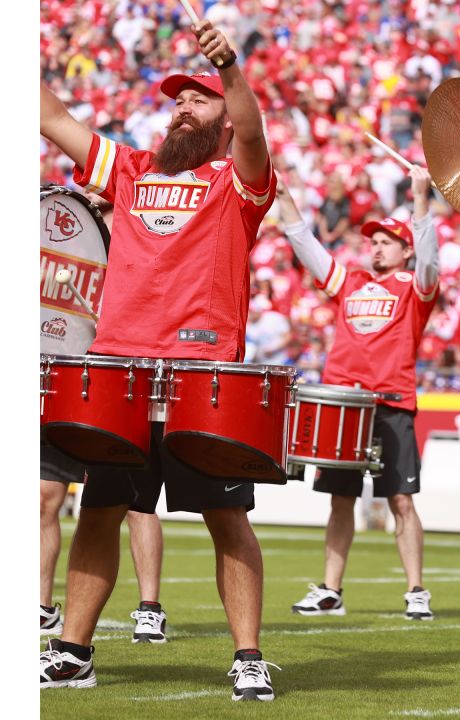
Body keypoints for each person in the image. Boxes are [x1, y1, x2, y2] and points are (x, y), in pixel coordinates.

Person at [38, 19, 279, 700]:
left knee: (226, 519)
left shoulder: (239, 179)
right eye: (177, 99)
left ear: (224, 116)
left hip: (203, 380)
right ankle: (72, 650)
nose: (182, 107)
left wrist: (230, 69)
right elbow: (49, 115)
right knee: (101, 509)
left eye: (198, 99)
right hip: (120, 374)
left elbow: (255, 132)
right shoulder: (133, 170)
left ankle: (248, 656)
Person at [275, 163, 440, 621]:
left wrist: (420, 198)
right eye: (374, 241)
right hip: (346, 406)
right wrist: (285, 197)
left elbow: (430, 259)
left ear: (405, 250)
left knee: (401, 500)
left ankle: (416, 590)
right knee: (340, 499)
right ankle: (331, 589)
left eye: (387, 241)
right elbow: (306, 245)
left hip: (390, 403)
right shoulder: (350, 283)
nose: (377, 247)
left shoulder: (415, 288)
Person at [41, 448, 169, 644]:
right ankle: (43, 610)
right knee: (42, 498)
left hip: (131, 420)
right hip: (64, 419)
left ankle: (149, 609)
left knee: (137, 505)